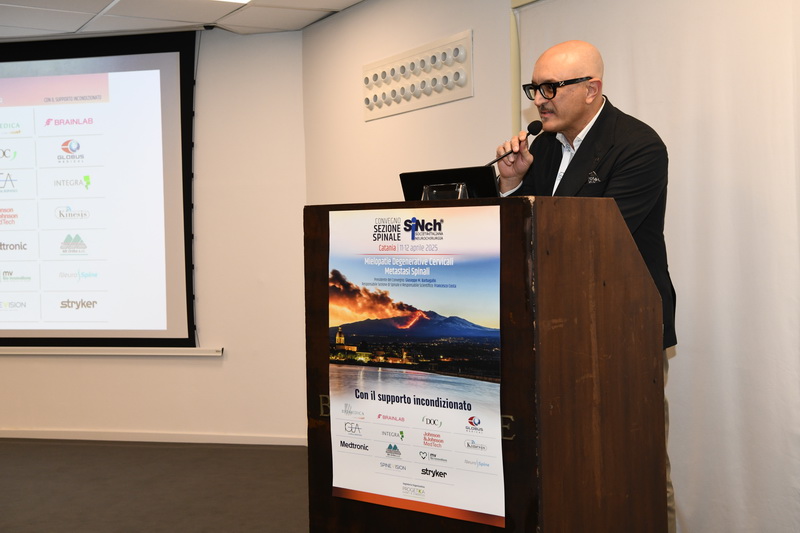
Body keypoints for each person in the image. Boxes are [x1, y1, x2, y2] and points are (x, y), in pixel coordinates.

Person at [496, 40, 677, 532]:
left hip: (620, 326)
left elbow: (598, 239)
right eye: (535, 88)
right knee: (569, 462)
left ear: (592, 89)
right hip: (554, 327)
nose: (540, 99)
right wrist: (513, 185)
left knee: (634, 461)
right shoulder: (543, 149)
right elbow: (522, 239)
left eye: (551, 88)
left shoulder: (637, 146)